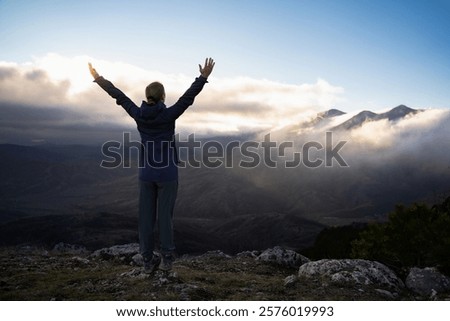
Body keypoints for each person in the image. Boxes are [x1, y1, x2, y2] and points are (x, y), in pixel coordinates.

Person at [89, 58, 215, 272]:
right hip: (167, 174)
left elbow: (118, 96)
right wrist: (203, 77)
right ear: (163, 97)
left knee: (145, 219)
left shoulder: (138, 114)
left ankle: (147, 261)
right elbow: (187, 98)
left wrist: (99, 79)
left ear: (147, 96)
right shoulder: (168, 114)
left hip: (146, 174)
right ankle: (166, 259)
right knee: (165, 219)